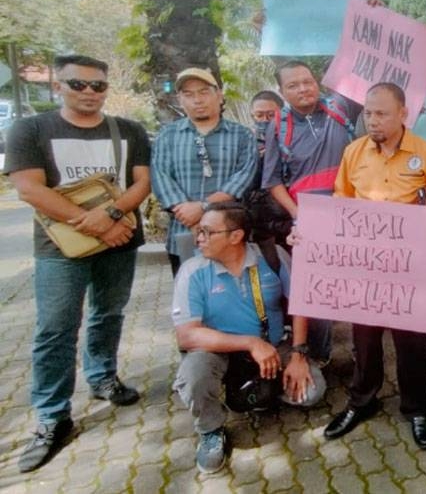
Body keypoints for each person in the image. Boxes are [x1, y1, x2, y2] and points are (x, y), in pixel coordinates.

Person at [5, 55, 152, 473]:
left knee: (109, 313)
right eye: (77, 84)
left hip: (119, 239)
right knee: (56, 328)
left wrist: (110, 219)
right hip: (61, 249)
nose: (89, 93)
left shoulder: (129, 130)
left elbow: (142, 182)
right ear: (58, 86)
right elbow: (29, 188)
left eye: (97, 86)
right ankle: (52, 416)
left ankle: (102, 375)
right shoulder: (31, 129)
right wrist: (90, 223)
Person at [320, 82, 426, 450]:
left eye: (382, 114)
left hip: (408, 264)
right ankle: (362, 401)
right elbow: (341, 199)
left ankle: (418, 408)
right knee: (364, 339)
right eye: (368, 113)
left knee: (410, 341)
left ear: (403, 115)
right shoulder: (353, 152)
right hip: (365, 264)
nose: (373, 121)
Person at [172, 202, 326, 474]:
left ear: (236, 236)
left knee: (313, 392)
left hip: (275, 345)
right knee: (193, 376)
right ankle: (210, 430)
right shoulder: (193, 271)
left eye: (207, 232)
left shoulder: (271, 255)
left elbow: (301, 301)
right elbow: (187, 335)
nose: (199, 238)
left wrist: (299, 355)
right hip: (218, 350)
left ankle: (257, 391)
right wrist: (250, 343)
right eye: (200, 232)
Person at [259, 61, 360, 361]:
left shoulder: (341, 107)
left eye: (308, 81)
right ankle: (319, 357)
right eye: (293, 85)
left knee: (358, 286)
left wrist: (371, 15)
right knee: (317, 293)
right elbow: (272, 181)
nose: (303, 88)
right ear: (282, 91)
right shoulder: (277, 126)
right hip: (309, 220)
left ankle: (363, 351)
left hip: (352, 216)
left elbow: (362, 64)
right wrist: (296, 214)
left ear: (317, 81)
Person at [151, 68, 258, 276]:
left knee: (234, 296)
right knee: (189, 299)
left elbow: (244, 177)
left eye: (203, 92)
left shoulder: (242, 135)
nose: (197, 100)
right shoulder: (167, 135)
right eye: (188, 95)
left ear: (219, 95)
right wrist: (186, 213)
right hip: (183, 232)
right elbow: (161, 177)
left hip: (229, 235)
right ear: (180, 100)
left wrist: (204, 208)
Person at [245, 90, 287, 272]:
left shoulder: (292, 138)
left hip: (287, 215)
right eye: (259, 115)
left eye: (271, 115)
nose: (264, 120)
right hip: (258, 222)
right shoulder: (245, 143)